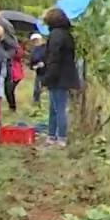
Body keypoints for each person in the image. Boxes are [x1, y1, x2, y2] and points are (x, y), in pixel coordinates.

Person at [40, 8, 81, 147]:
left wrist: (47, 77)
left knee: (58, 109)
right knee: (55, 108)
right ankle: (52, 136)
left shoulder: (55, 35)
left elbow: (54, 58)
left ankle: (60, 138)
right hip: (64, 75)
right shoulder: (66, 34)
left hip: (58, 77)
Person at [5, 41, 25, 113]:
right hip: (7, 72)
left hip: (15, 72)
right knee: (7, 90)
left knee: (9, 90)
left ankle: (12, 107)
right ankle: (11, 107)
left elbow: (19, 55)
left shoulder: (16, 47)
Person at [28, 33, 47, 104]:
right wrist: (34, 66)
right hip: (39, 72)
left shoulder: (47, 48)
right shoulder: (34, 51)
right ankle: (36, 103)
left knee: (46, 89)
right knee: (37, 89)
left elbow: (52, 59)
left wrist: (44, 63)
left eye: (37, 40)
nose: (35, 42)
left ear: (41, 39)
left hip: (48, 71)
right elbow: (31, 64)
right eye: (33, 41)